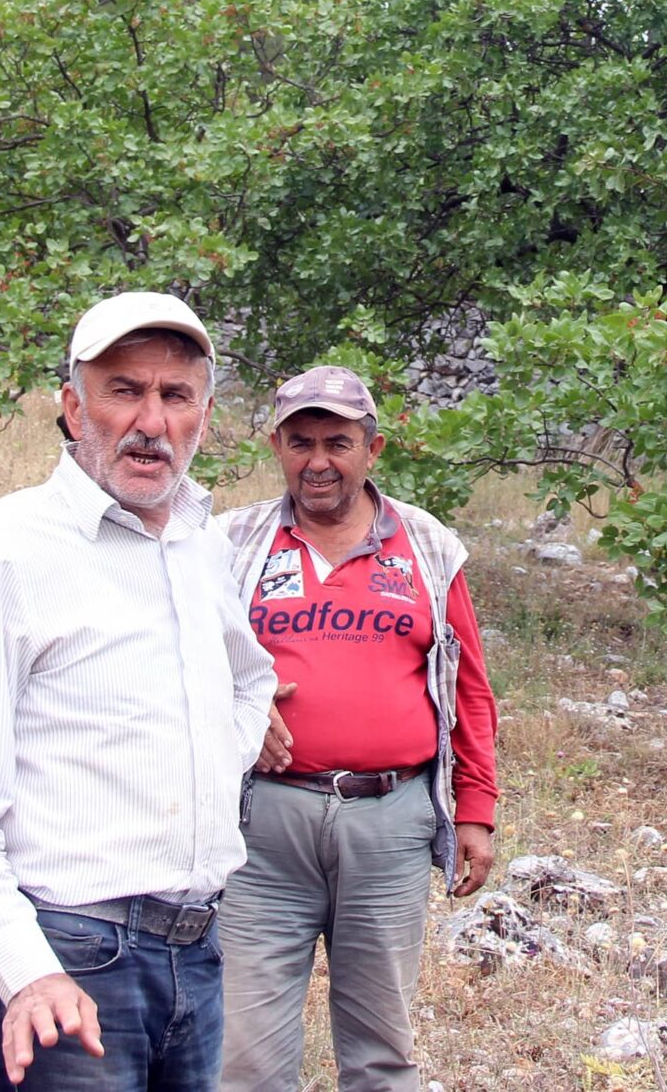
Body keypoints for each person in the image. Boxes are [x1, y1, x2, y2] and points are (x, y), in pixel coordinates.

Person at [0, 292, 276, 1091]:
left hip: (198, 949)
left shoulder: (200, 541)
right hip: (73, 956)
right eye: (124, 390)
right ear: (74, 406)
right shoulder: (5, 550)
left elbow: (252, 679)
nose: (151, 421)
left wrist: (219, 753)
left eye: (175, 396)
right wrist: (26, 972)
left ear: (204, 419)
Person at [215, 366, 499, 1092]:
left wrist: (477, 811)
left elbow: (467, 687)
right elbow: (175, 668)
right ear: (277, 445)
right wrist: (242, 705)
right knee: (244, 1056)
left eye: (337, 442)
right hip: (261, 828)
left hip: (390, 822)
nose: (318, 461)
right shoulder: (228, 545)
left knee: (381, 1052)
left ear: (373, 450)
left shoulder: (428, 546)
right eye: (300, 441)